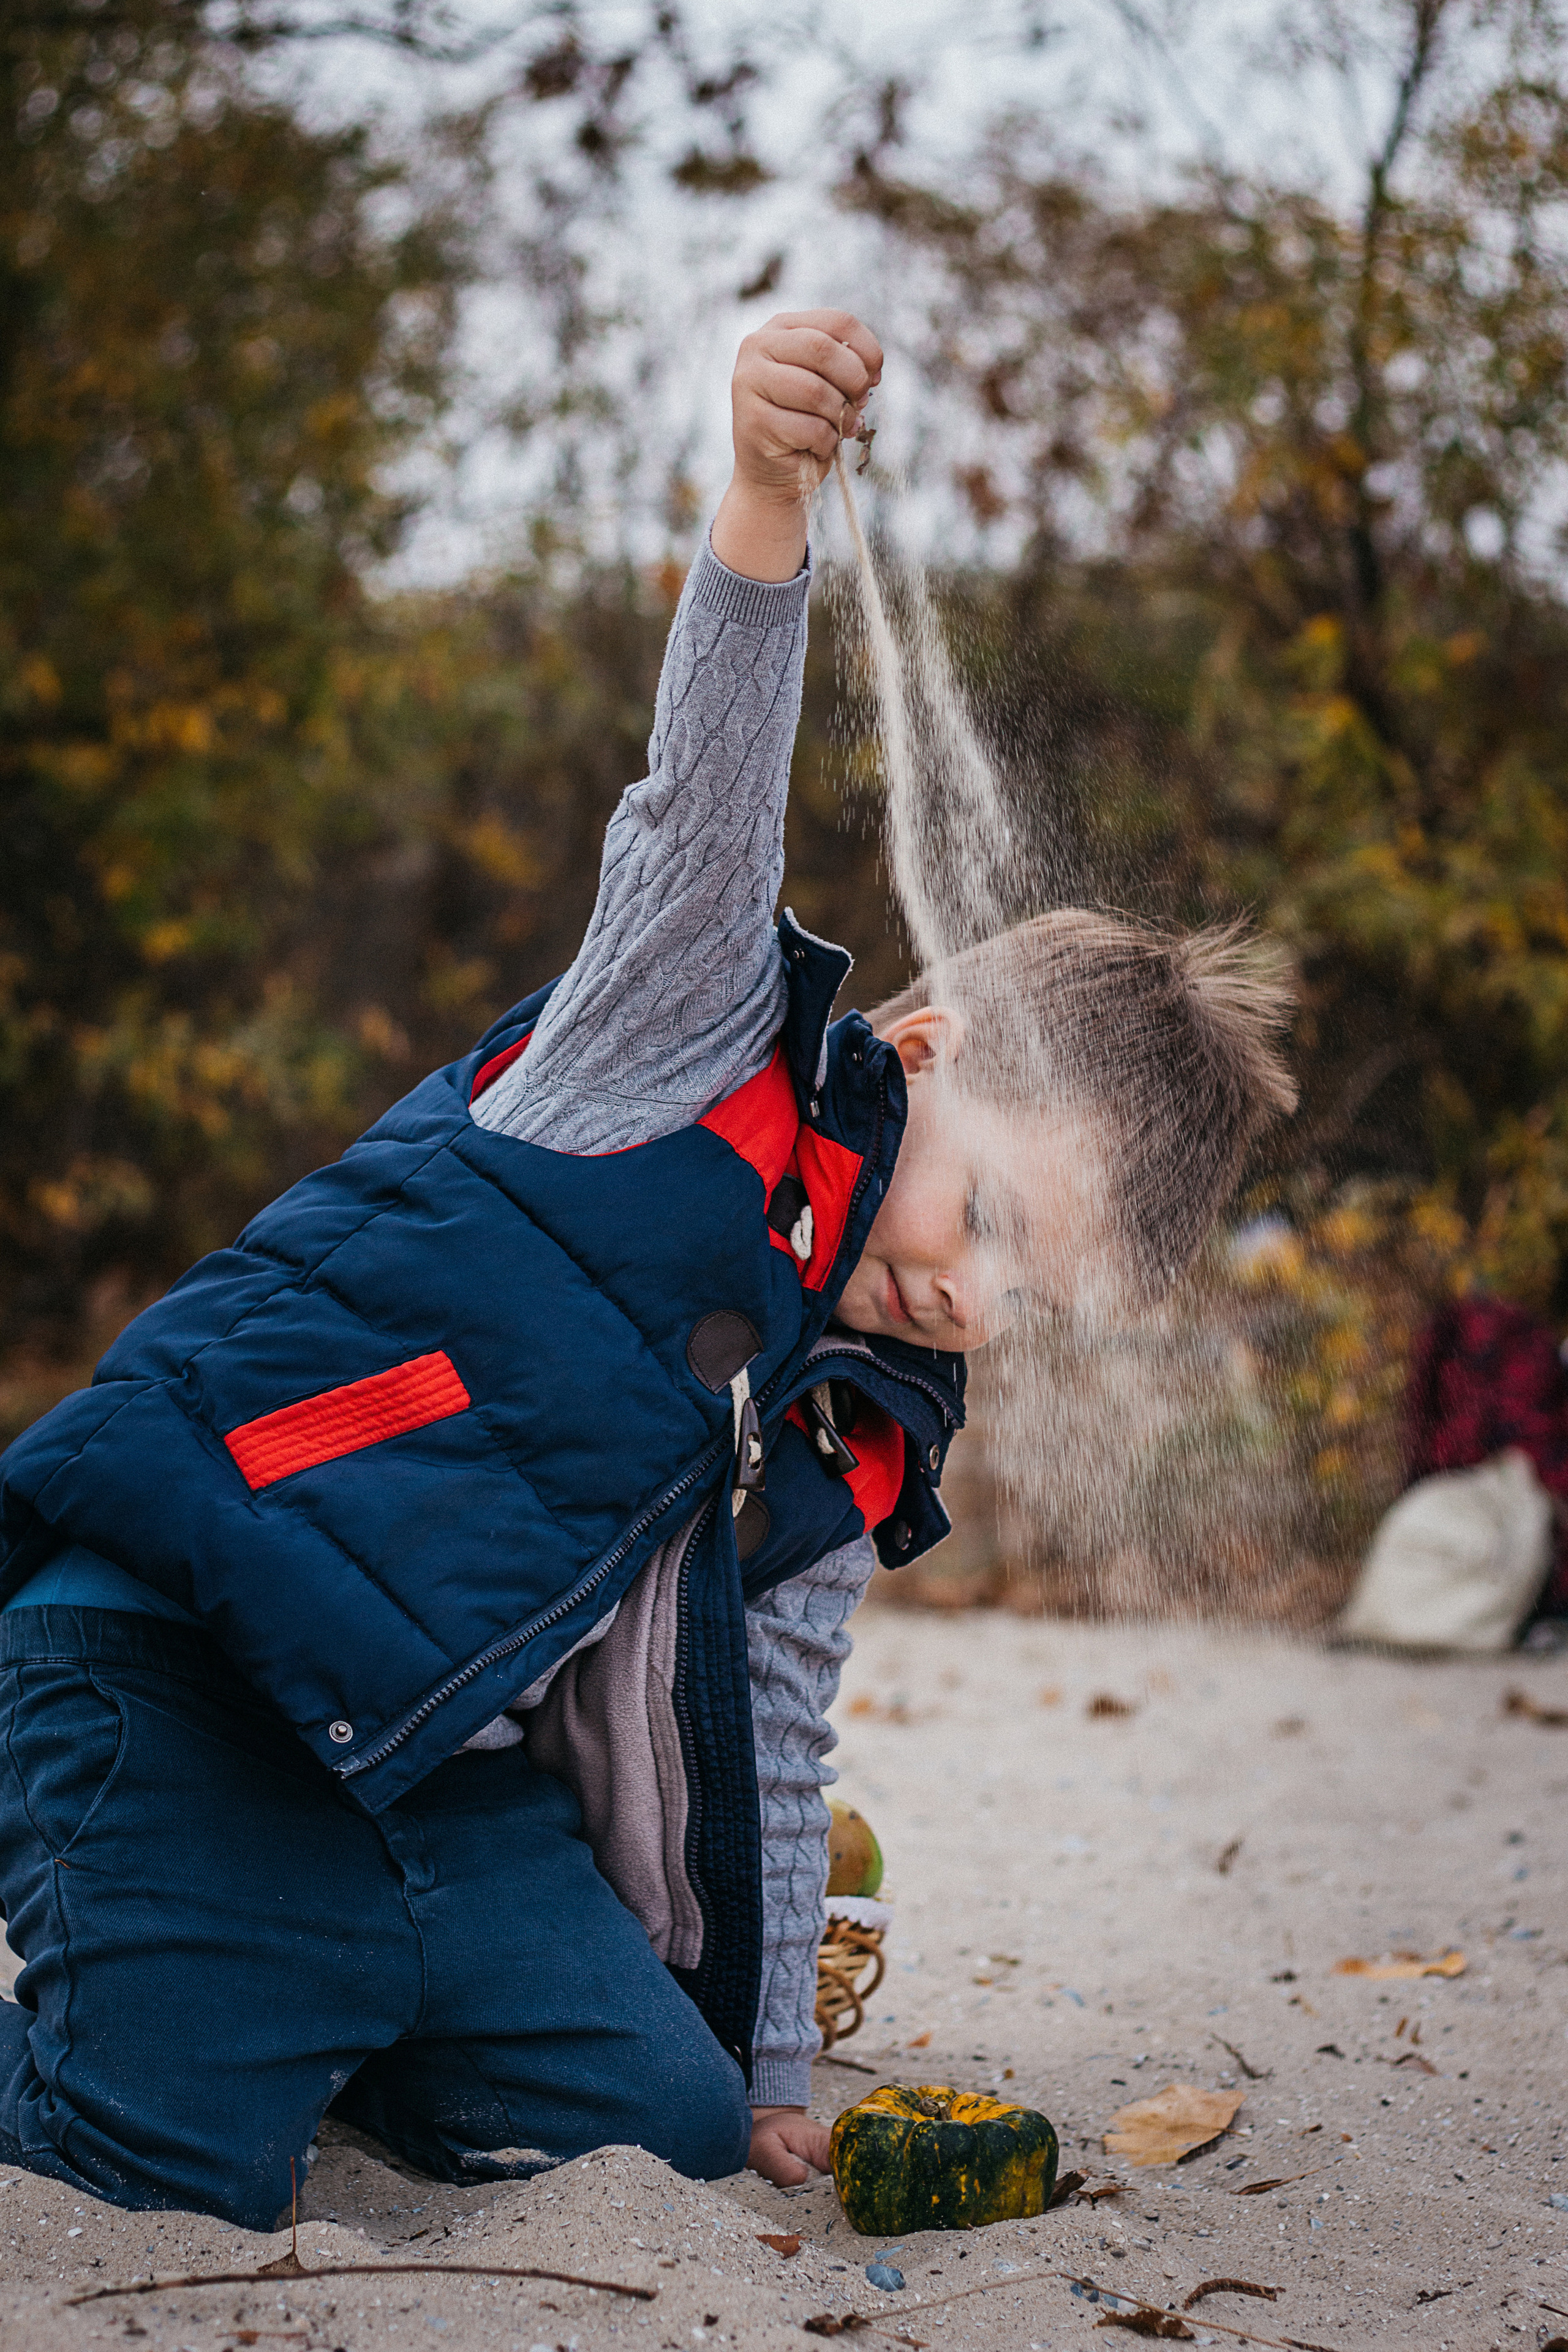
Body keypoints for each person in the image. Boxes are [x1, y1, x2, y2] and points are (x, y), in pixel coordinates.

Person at [0, 312, 1295, 2229]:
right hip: (179, 1661)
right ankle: (208, 1987)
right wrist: (770, 503)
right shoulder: (684, 1046)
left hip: (437, 1785)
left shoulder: (863, 1432)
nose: (972, 1305)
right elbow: (704, 802)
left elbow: (775, 1739)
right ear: (923, 1056)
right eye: (993, 1225)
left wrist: (766, 2073)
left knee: (660, 2124)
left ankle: (339, 2000)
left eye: (1033, 1304)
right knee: (172, 2159)